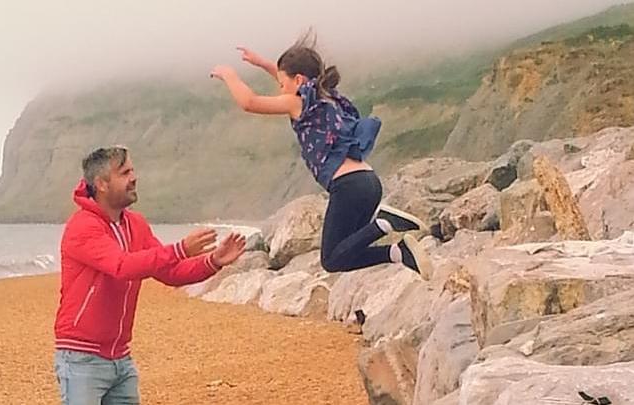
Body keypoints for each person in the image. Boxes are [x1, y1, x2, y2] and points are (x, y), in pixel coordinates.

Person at [210, 30, 433, 280]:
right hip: (368, 183)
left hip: (348, 187)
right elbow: (292, 82)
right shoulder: (329, 97)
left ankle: (384, 222)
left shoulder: (298, 103)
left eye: (282, 84)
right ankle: (399, 252)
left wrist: (229, 75)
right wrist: (264, 64)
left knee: (331, 259)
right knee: (345, 252)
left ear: (298, 81)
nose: (280, 90)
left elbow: (249, 102)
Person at [53, 146, 246, 405]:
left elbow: (171, 272)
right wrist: (179, 248)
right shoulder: (82, 226)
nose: (134, 177)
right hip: (81, 358)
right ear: (101, 184)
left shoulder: (136, 224)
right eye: (124, 173)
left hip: (121, 358)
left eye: (132, 170)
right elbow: (122, 266)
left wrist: (213, 261)